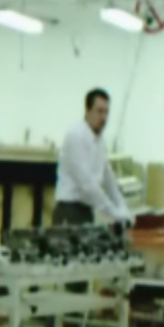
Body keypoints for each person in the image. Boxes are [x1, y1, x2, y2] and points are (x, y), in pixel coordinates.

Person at [55, 88, 132, 227]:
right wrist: (114, 212)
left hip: (86, 210)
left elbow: (107, 176)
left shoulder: (99, 140)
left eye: (106, 112)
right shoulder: (76, 136)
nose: (104, 118)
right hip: (69, 210)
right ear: (87, 111)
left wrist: (122, 206)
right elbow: (87, 184)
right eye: (99, 111)